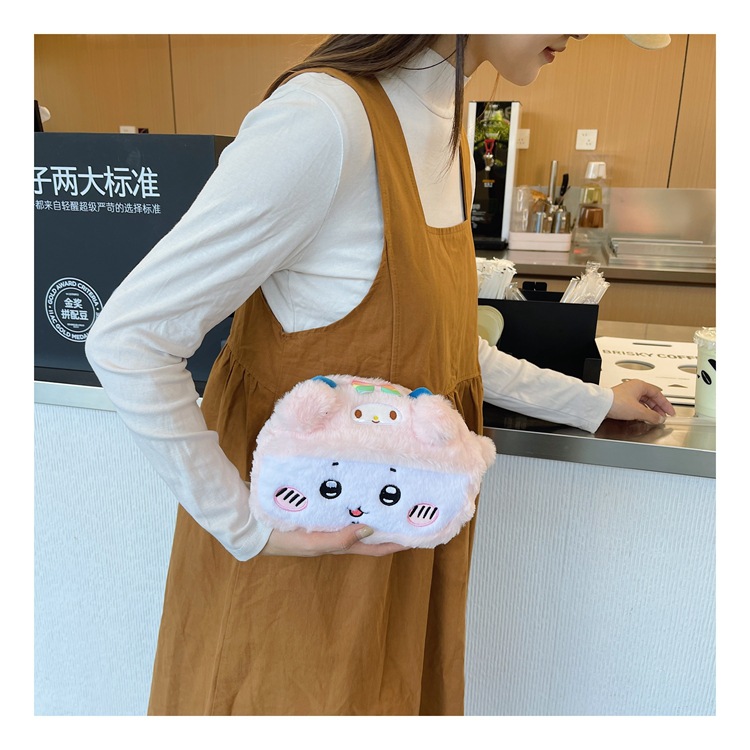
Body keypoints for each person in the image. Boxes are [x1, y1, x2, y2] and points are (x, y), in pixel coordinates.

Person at [85, 34, 675, 715]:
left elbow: (443, 351)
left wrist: (593, 402)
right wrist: (248, 528)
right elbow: (129, 339)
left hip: (402, 551)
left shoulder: (446, 133)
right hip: (300, 571)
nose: (583, 26)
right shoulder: (324, 120)